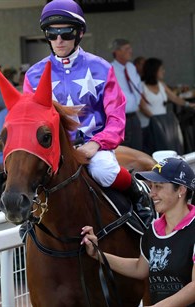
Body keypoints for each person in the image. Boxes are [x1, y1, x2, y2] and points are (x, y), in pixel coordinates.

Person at [23, 0, 152, 220]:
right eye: (52, 34)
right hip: (53, 151)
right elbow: (28, 122)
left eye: (66, 33)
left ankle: (139, 193)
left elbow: (117, 119)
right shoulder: (33, 75)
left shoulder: (101, 67)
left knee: (104, 171)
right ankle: (30, 221)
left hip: (93, 147)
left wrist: (96, 144)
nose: (59, 40)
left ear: (80, 33)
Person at [81, 157, 195, 307]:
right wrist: (98, 254)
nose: (151, 193)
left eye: (159, 186)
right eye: (152, 186)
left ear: (181, 190)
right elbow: (139, 268)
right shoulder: (153, 231)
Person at [138, 58, 195, 154]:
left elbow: (174, 98)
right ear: (154, 71)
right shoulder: (140, 86)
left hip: (163, 127)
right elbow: (143, 107)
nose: (163, 71)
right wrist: (156, 120)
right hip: (148, 128)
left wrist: (189, 104)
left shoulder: (161, 85)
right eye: (161, 69)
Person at [111, 39, 143, 151]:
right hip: (121, 118)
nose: (131, 51)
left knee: (138, 148)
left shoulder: (131, 67)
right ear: (117, 52)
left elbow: (138, 86)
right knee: (126, 150)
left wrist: (138, 103)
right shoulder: (110, 69)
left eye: (130, 48)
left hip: (134, 116)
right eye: (127, 49)